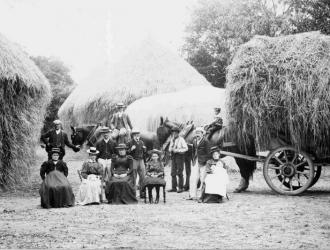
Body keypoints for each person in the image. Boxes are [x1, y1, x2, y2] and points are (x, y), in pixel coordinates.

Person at [188, 127, 211, 200]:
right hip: (195, 161)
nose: (197, 134)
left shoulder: (206, 141)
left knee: (203, 178)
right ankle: (192, 195)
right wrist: (193, 159)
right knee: (193, 178)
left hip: (203, 162)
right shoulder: (194, 141)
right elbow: (193, 151)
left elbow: (208, 153)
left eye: (199, 133)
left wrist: (206, 162)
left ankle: (201, 195)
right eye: (196, 133)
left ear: (202, 133)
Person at [127, 128, 146, 198]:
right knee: (133, 177)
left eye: (138, 135)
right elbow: (126, 153)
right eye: (135, 135)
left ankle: (142, 193)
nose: (137, 136)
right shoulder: (129, 143)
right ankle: (133, 193)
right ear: (132, 136)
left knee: (143, 177)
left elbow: (144, 153)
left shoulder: (141, 142)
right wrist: (130, 149)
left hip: (141, 161)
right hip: (133, 160)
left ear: (139, 136)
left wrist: (144, 150)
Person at [168, 126, 188, 193]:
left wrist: (177, 150)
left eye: (175, 132)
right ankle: (174, 188)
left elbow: (186, 148)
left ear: (178, 133)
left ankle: (181, 188)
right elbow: (169, 148)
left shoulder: (181, 139)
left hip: (180, 157)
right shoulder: (172, 139)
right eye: (173, 132)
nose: (174, 134)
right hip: (173, 157)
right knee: (173, 173)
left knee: (180, 172)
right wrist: (171, 149)